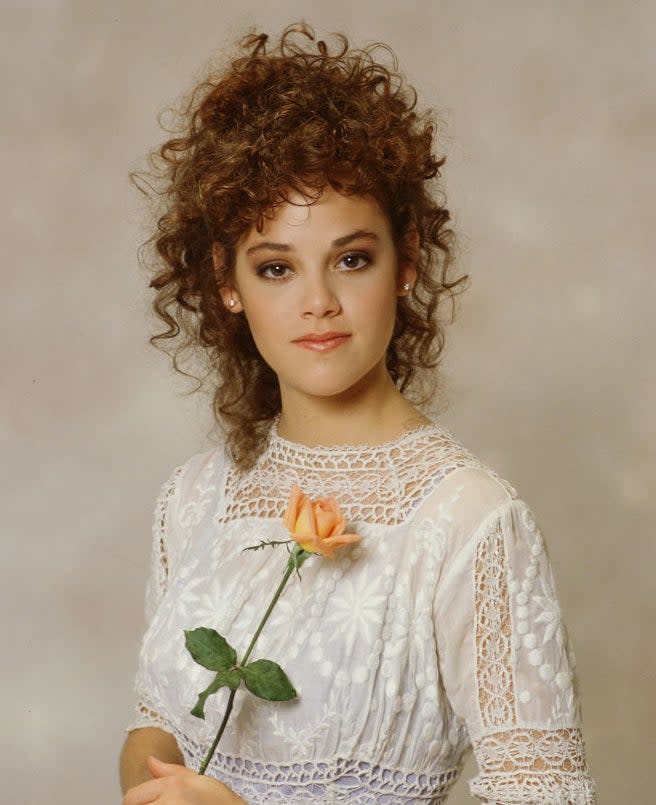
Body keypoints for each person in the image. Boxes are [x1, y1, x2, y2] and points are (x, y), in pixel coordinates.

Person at [119, 21, 597, 805]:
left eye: (351, 258)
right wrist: (159, 783)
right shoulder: (192, 499)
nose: (318, 303)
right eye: (276, 267)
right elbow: (153, 728)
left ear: (405, 259)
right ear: (227, 283)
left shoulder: (469, 519)